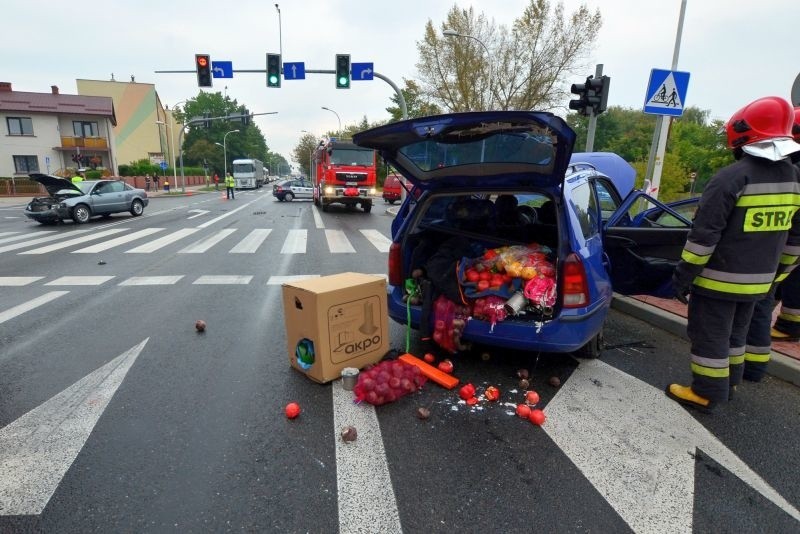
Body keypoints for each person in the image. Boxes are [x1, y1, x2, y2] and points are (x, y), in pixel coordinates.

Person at [666, 96, 800, 412]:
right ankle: (731, 381)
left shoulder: (731, 178)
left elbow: (702, 241)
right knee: (736, 336)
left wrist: (682, 277)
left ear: (742, 137)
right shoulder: (793, 180)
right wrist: (776, 277)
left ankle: (705, 392)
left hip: (718, 282)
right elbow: (795, 241)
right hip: (760, 283)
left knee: (710, 335)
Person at [741, 107, 800, 381]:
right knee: (762, 310)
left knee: (753, 312)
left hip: (761, 260)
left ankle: (742, 371)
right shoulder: (790, 174)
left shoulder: (788, 175)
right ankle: (753, 367)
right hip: (777, 259)